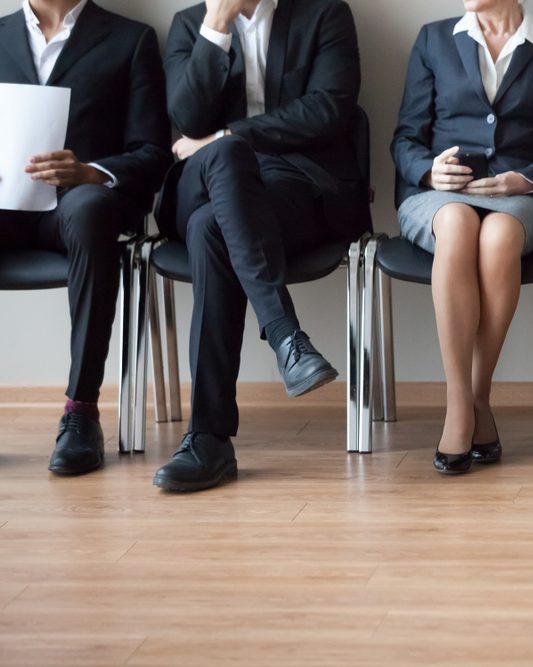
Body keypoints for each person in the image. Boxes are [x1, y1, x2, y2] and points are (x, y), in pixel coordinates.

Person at [153, 0, 370, 492]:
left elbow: (330, 108)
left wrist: (230, 133)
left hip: (295, 186)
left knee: (214, 228)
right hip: (202, 184)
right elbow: (186, 116)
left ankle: (208, 439)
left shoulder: (325, 13)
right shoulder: (190, 24)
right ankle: (286, 334)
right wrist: (217, 25)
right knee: (223, 165)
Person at [392, 0, 533, 474]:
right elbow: (405, 138)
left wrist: (526, 179)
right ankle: (462, 404)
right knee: (459, 223)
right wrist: (429, 170)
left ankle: (477, 396)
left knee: (499, 234)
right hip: (438, 198)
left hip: (524, 198)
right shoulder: (432, 39)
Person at [0, 0, 171, 474]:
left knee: (90, 210)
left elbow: (153, 153)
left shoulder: (131, 40)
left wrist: (91, 172)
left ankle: (81, 412)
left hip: (77, 208)